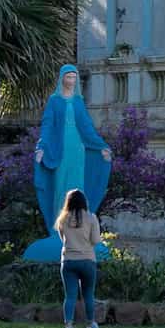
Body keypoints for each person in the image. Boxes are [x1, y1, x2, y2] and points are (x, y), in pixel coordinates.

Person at [29, 63, 112, 266]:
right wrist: (42, 147)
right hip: (60, 149)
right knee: (61, 186)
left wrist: (101, 146)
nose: (71, 81)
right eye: (68, 77)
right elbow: (47, 126)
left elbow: (87, 126)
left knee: (77, 187)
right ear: (62, 79)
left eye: (74, 77)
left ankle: (79, 228)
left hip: (78, 148)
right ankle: (59, 229)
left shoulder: (78, 102)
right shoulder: (54, 101)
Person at [55, 188, 105, 328]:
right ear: (84, 202)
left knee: (70, 296)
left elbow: (62, 238)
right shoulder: (91, 218)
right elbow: (95, 240)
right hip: (87, 260)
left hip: (68, 260)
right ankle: (90, 325)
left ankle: (68, 326)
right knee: (88, 294)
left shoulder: (62, 219)